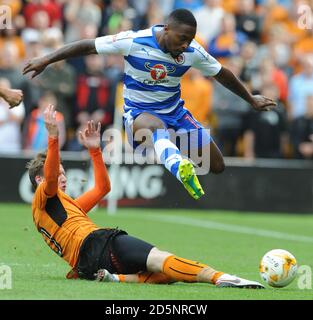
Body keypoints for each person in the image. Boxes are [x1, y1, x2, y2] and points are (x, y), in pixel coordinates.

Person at [23, 9, 276, 200]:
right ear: (166, 29)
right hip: (139, 114)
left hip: (176, 113)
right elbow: (88, 46)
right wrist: (46, 58)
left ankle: (177, 156)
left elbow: (222, 73)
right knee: (154, 127)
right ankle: (178, 165)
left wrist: (250, 98)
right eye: (182, 37)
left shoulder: (192, 52)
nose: (185, 44)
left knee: (217, 166)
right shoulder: (134, 41)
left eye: (190, 39)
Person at [26, 104, 264, 289]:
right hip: (96, 244)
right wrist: (53, 137)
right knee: (162, 259)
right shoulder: (42, 196)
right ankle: (220, 277)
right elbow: (49, 176)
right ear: (39, 180)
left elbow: (102, 189)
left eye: (64, 173)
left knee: (165, 275)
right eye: (60, 174)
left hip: (87, 265)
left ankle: (116, 279)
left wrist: (95, 150)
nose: (63, 178)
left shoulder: (65, 209)